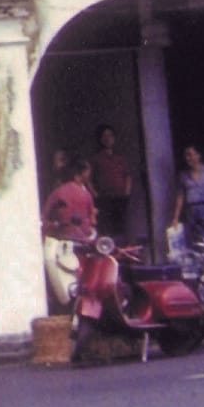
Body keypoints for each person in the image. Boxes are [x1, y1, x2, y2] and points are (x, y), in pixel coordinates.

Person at [41, 155, 98, 311]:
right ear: (79, 174)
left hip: (65, 239)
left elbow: (45, 216)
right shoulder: (85, 194)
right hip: (82, 241)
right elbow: (92, 218)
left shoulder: (58, 193)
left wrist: (53, 225)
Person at [88, 126, 135, 242]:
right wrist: (95, 193)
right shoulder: (96, 158)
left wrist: (127, 193)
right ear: (100, 139)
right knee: (106, 228)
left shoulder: (121, 157)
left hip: (120, 197)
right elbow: (87, 178)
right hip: (104, 198)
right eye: (104, 136)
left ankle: (122, 252)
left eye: (110, 135)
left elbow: (128, 175)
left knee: (120, 226)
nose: (107, 138)